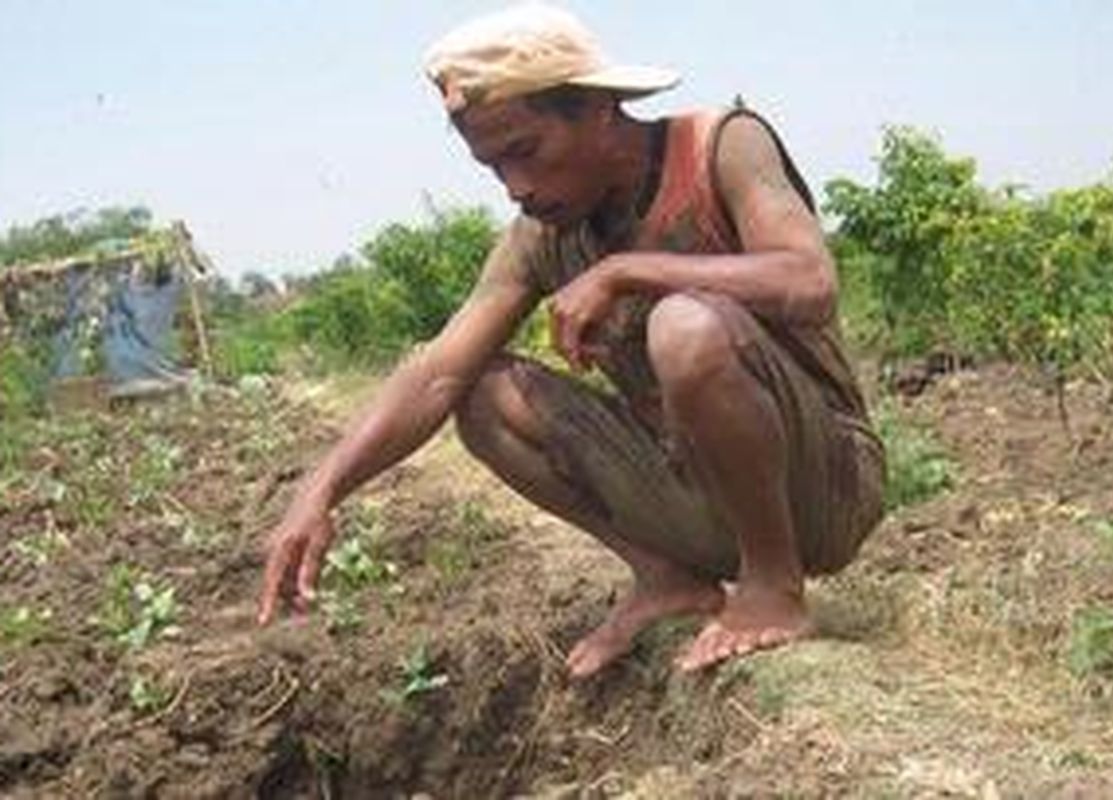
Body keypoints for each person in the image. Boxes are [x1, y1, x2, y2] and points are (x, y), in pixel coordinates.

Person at [257, 4, 885, 678]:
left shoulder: (722, 146)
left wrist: (627, 271)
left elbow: (809, 279)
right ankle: (665, 576)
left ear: (597, 109)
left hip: (825, 486)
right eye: (493, 166)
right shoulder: (541, 236)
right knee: (482, 392)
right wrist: (319, 491)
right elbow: (437, 373)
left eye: (525, 152)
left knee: (685, 328)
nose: (516, 187)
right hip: (692, 490)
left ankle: (772, 586)